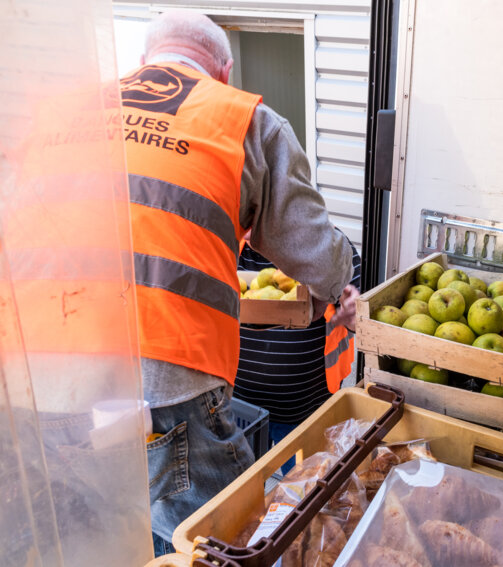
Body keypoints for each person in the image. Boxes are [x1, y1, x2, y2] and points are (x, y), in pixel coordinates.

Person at [120, 11, 353, 556]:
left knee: (100, 529)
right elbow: (313, 251)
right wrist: (341, 286)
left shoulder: (76, 112)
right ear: (223, 72)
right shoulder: (242, 119)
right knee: (223, 538)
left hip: (43, 376)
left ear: (142, 64)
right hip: (165, 375)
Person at [234, 237, 360, 458]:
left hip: (307, 411)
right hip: (241, 411)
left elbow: (361, 321)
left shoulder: (331, 247)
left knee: (304, 489)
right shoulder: (226, 245)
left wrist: (353, 315)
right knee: (245, 489)